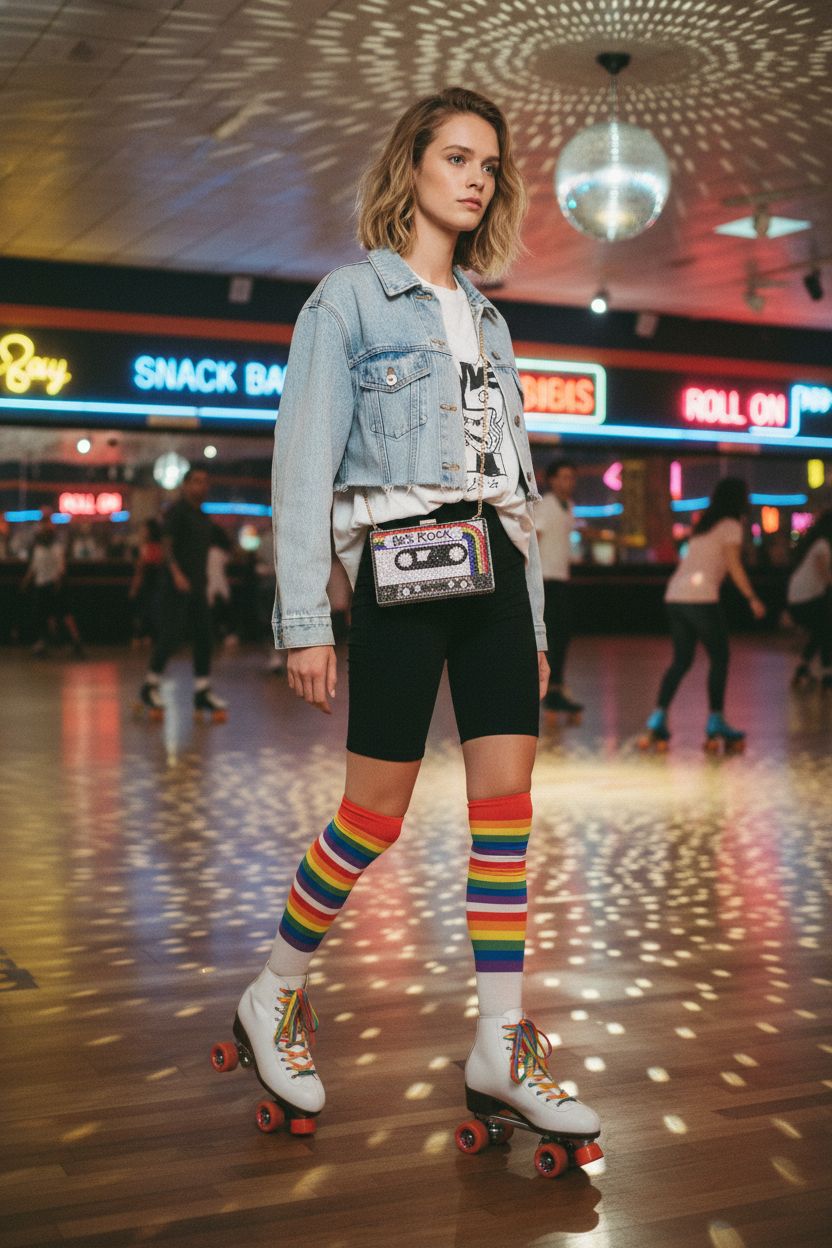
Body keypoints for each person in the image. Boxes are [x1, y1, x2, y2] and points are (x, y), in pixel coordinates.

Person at [224, 87, 601, 1163]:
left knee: (505, 818)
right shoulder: (346, 303)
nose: (475, 177)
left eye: (488, 162)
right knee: (372, 821)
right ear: (413, 167)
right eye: (455, 157)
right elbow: (300, 473)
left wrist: (529, 617)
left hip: (495, 576)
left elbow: (515, 485)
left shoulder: (489, 320)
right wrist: (306, 620)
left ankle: (499, 1042)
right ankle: (274, 991)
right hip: (397, 577)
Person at [640, 477, 766, 751]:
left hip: (675, 597)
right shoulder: (732, 525)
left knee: (681, 660)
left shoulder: (704, 525)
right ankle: (715, 721)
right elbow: (733, 565)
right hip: (701, 599)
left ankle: (657, 718)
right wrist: (752, 597)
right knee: (720, 657)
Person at [137, 468, 226, 718]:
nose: (202, 486)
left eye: (206, 481)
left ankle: (202, 690)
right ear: (186, 485)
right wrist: (176, 573)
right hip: (175, 586)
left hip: (197, 586)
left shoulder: (203, 517)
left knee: (204, 636)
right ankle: (149, 686)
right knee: (170, 636)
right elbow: (166, 545)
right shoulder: (178, 512)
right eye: (197, 481)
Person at [535, 458, 583, 717]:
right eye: (563, 477)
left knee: (561, 636)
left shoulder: (568, 506)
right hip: (545, 580)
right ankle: (551, 692)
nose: (568, 482)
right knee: (552, 637)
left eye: (572, 477)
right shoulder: (545, 506)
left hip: (559, 579)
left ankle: (555, 690)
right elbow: (535, 539)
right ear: (551, 480)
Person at [21, 515, 85, 657]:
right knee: (44, 615)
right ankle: (46, 642)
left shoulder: (55, 546)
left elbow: (60, 567)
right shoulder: (40, 546)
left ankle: (72, 641)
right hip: (42, 584)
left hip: (52, 584)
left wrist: (57, 581)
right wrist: (26, 580)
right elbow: (35, 566)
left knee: (61, 614)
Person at [787, 508, 832, 689]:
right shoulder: (822, 545)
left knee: (822, 630)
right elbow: (824, 575)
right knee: (827, 629)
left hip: (799, 599)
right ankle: (827, 674)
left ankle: (803, 668)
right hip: (805, 599)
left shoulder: (818, 543)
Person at [128, 518, 164, 647]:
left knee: (143, 612)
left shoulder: (145, 548)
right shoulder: (162, 548)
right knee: (155, 612)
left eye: (143, 529)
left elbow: (140, 570)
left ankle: (140, 637)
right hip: (158, 585)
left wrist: (134, 587)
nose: (141, 532)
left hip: (147, 586)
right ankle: (152, 637)